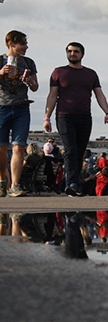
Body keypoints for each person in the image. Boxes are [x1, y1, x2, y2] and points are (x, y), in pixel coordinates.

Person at [40, 42, 108, 197]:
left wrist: (107, 112)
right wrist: (47, 117)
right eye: (70, 51)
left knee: (79, 152)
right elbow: (52, 96)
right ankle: (71, 183)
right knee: (70, 149)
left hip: (85, 116)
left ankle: (75, 184)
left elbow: (99, 94)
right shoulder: (59, 72)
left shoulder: (90, 74)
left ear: (82, 55)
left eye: (76, 51)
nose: (72, 54)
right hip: (64, 116)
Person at [1, 30, 39, 198]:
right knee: (1, 149)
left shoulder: (28, 62)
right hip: (1, 107)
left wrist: (31, 82)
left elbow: (36, 86)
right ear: (11, 43)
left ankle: (15, 185)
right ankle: (2, 180)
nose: (26, 47)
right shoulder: (0, 60)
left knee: (19, 147)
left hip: (22, 108)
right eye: (23, 43)